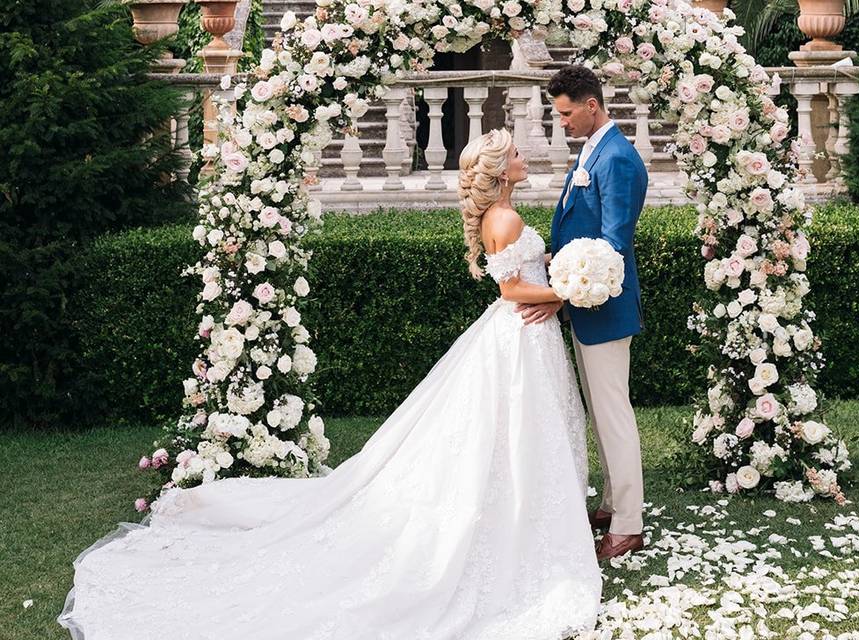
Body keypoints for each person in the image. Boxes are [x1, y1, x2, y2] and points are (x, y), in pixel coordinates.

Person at [58, 128, 602, 640]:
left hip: (530, 339)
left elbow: (524, 278)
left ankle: (532, 509)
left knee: (527, 430)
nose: (523, 157)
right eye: (514, 154)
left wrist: (560, 277)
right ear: (500, 172)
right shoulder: (503, 220)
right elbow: (510, 291)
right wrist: (565, 292)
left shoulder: (506, 212)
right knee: (507, 429)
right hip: (520, 335)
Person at [520, 65, 649, 561]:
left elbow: (613, 245)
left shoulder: (616, 158)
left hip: (605, 305)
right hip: (588, 304)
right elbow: (588, 232)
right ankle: (616, 500)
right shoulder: (594, 150)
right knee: (602, 411)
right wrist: (560, 261)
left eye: (566, 113)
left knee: (614, 414)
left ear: (591, 105)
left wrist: (560, 292)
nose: (563, 122)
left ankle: (629, 524)